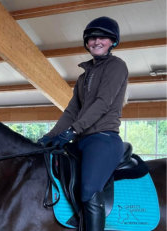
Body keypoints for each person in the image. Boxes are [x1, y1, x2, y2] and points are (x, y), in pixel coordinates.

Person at [37, 16, 128, 231]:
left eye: (102, 37)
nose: (97, 41)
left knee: (88, 189)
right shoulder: (83, 78)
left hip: (103, 139)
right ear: (87, 42)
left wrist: (73, 130)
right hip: (80, 139)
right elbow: (71, 111)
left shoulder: (116, 66)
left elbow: (103, 103)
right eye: (92, 38)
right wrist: (50, 137)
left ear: (112, 41)